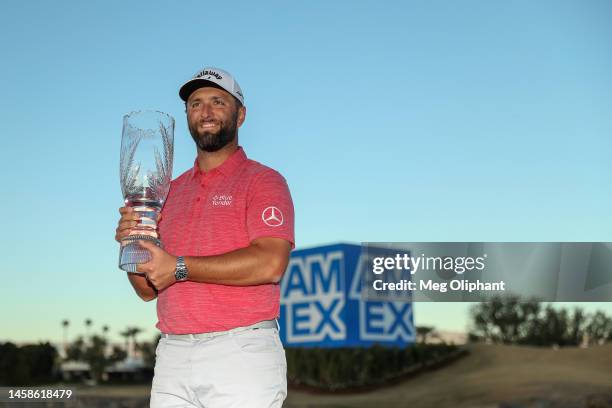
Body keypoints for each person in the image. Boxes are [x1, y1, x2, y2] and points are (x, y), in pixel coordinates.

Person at [114, 67, 294, 408]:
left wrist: (179, 266)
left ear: (240, 115)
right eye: (196, 104)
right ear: (187, 116)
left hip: (241, 351)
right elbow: (147, 290)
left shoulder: (263, 181)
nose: (206, 112)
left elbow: (271, 263)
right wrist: (132, 244)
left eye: (217, 101)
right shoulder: (167, 192)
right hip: (172, 353)